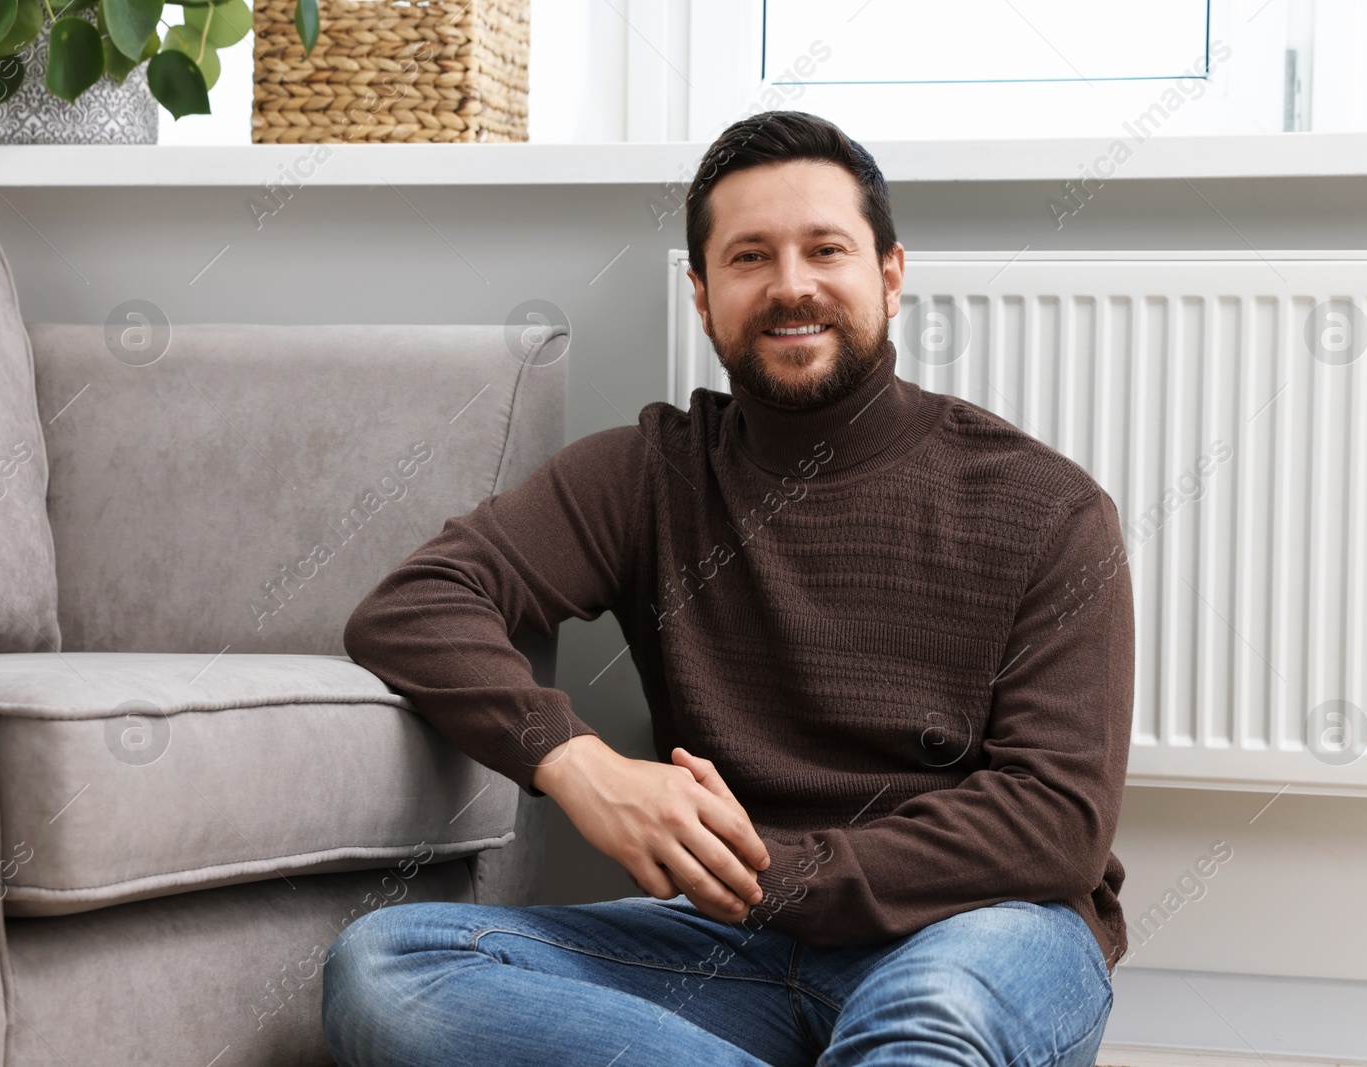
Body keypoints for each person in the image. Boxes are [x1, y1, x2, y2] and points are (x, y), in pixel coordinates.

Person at [322, 109, 1135, 1067]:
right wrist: (579, 766)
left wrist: (785, 874)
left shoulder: (1046, 507)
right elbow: (417, 605)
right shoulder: (648, 476)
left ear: (890, 274)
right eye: (751, 257)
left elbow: (1056, 822)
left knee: (926, 1029)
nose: (791, 285)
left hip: (976, 931)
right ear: (704, 298)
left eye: (824, 248)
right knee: (383, 968)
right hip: (726, 951)